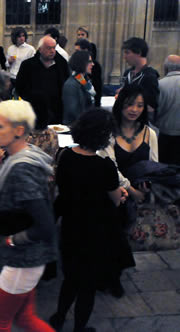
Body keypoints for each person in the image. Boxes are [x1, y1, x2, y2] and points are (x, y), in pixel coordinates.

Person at [50, 110, 134, 332]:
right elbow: (115, 199)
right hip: (95, 232)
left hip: (70, 227)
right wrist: (122, 195)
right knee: (87, 285)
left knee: (70, 279)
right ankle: (80, 328)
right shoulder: (104, 166)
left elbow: (63, 188)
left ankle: (58, 317)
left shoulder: (66, 156)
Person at [0, 100, 57, 332]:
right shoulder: (22, 156)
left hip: (25, 259)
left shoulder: (22, 168)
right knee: (24, 318)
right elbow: (17, 202)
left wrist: (10, 240)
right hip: (28, 258)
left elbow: (45, 226)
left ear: (19, 131)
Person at [98, 85, 158, 204]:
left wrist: (147, 184)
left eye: (140, 105)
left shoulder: (149, 133)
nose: (134, 109)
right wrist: (132, 191)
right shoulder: (109, 132)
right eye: (129, 104)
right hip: (114, 195)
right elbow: (109, 167)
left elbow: (154, 167)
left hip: (142, 197)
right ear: (120, 104)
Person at [16, 36, 70, 128]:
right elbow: (19, 87)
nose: (52, 51)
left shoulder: (61, 64)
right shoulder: (28, 65)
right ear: (40, 49)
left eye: (54, 48)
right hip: (34, 112)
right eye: (49, 48)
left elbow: (66, 84)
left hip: (56, 111)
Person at [121, 37, 160, 114]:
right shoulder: (128, 73)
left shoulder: (149, 76)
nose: (125, 57)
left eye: (127, 52)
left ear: (138, 52)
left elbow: (152, 107)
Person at [154, 55, 180, 165]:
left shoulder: (159, 84)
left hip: (164, 134)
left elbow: (153, 110)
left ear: (166, 68)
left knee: (164, 168)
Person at [62, 50, 95, 125]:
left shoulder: (84, 81)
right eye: (89, 61)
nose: (92, 64)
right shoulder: (71, 84)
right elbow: (73, 112)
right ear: (82, 62)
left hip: (84, 125)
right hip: (75, 127)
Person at [75, 38, 102, 106]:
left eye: (78, 51)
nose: (76, 53)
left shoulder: (94, 66)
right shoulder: (75, 66)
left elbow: (96, 88)